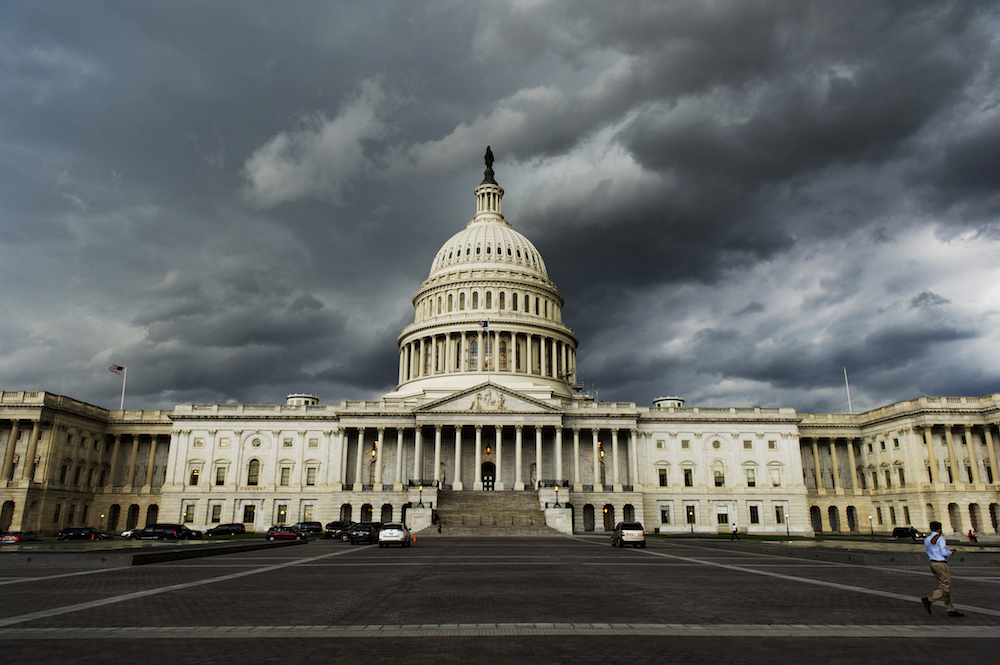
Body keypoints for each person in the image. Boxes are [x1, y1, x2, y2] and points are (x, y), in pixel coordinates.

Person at [922, 521, 963, 617]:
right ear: (939, 529)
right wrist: (951, 552)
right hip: (941, 564)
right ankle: (928, 599)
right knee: (946, 588)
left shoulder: (927, 539)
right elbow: (944, 553)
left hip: (933, 563)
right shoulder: (940, 539)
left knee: (946, 585)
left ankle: (950, 609)